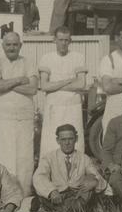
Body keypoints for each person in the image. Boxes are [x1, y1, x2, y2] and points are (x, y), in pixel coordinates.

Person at [0, 31, 38, 199]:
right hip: (3, 119)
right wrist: (18, 80)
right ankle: (1, 195)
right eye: (8, 44)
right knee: (3, 156)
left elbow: (33, 88)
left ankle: (23, 195)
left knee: (24, 158)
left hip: (24, 118)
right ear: (3, 46)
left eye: (15, 44)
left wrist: (6, 83)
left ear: (20, 45)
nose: (12, 47)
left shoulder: (28, 62)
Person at [32, 124, 107, 212]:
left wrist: (94, 182)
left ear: (76, 139)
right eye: (63, 139)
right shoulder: (49, 158)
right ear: (58, 140)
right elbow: (39, 177)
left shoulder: (84, 158)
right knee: (71, 207)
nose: (67, 143)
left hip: (77, 196)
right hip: (58, 196)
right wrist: (51, 191)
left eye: (70, 139)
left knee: (90, 183)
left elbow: (98, 178)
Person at [38, 26, 88, 156]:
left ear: (70, 41)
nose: (63, 43)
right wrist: (68, 81)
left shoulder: (78, 57)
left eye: (66, 40)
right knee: (52, 143)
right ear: (54, 40)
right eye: (60, 40)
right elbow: (44, 86)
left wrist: (55, 86)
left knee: (74, 140)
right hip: (53, 108)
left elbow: (81, 84)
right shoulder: (46, 58)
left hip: (73, 107)